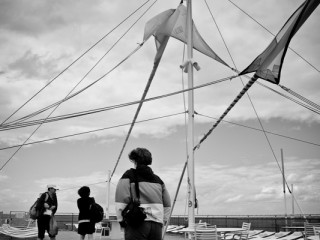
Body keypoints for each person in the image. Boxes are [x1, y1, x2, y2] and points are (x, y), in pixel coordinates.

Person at [115, 147, 171, 240]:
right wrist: (163, 220)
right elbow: (167, 204)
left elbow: (121, 200)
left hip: (137, 223)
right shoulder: (158, 180)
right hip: (157, 224)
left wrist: (121, 220)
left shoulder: (128, 176)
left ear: (134, 160)